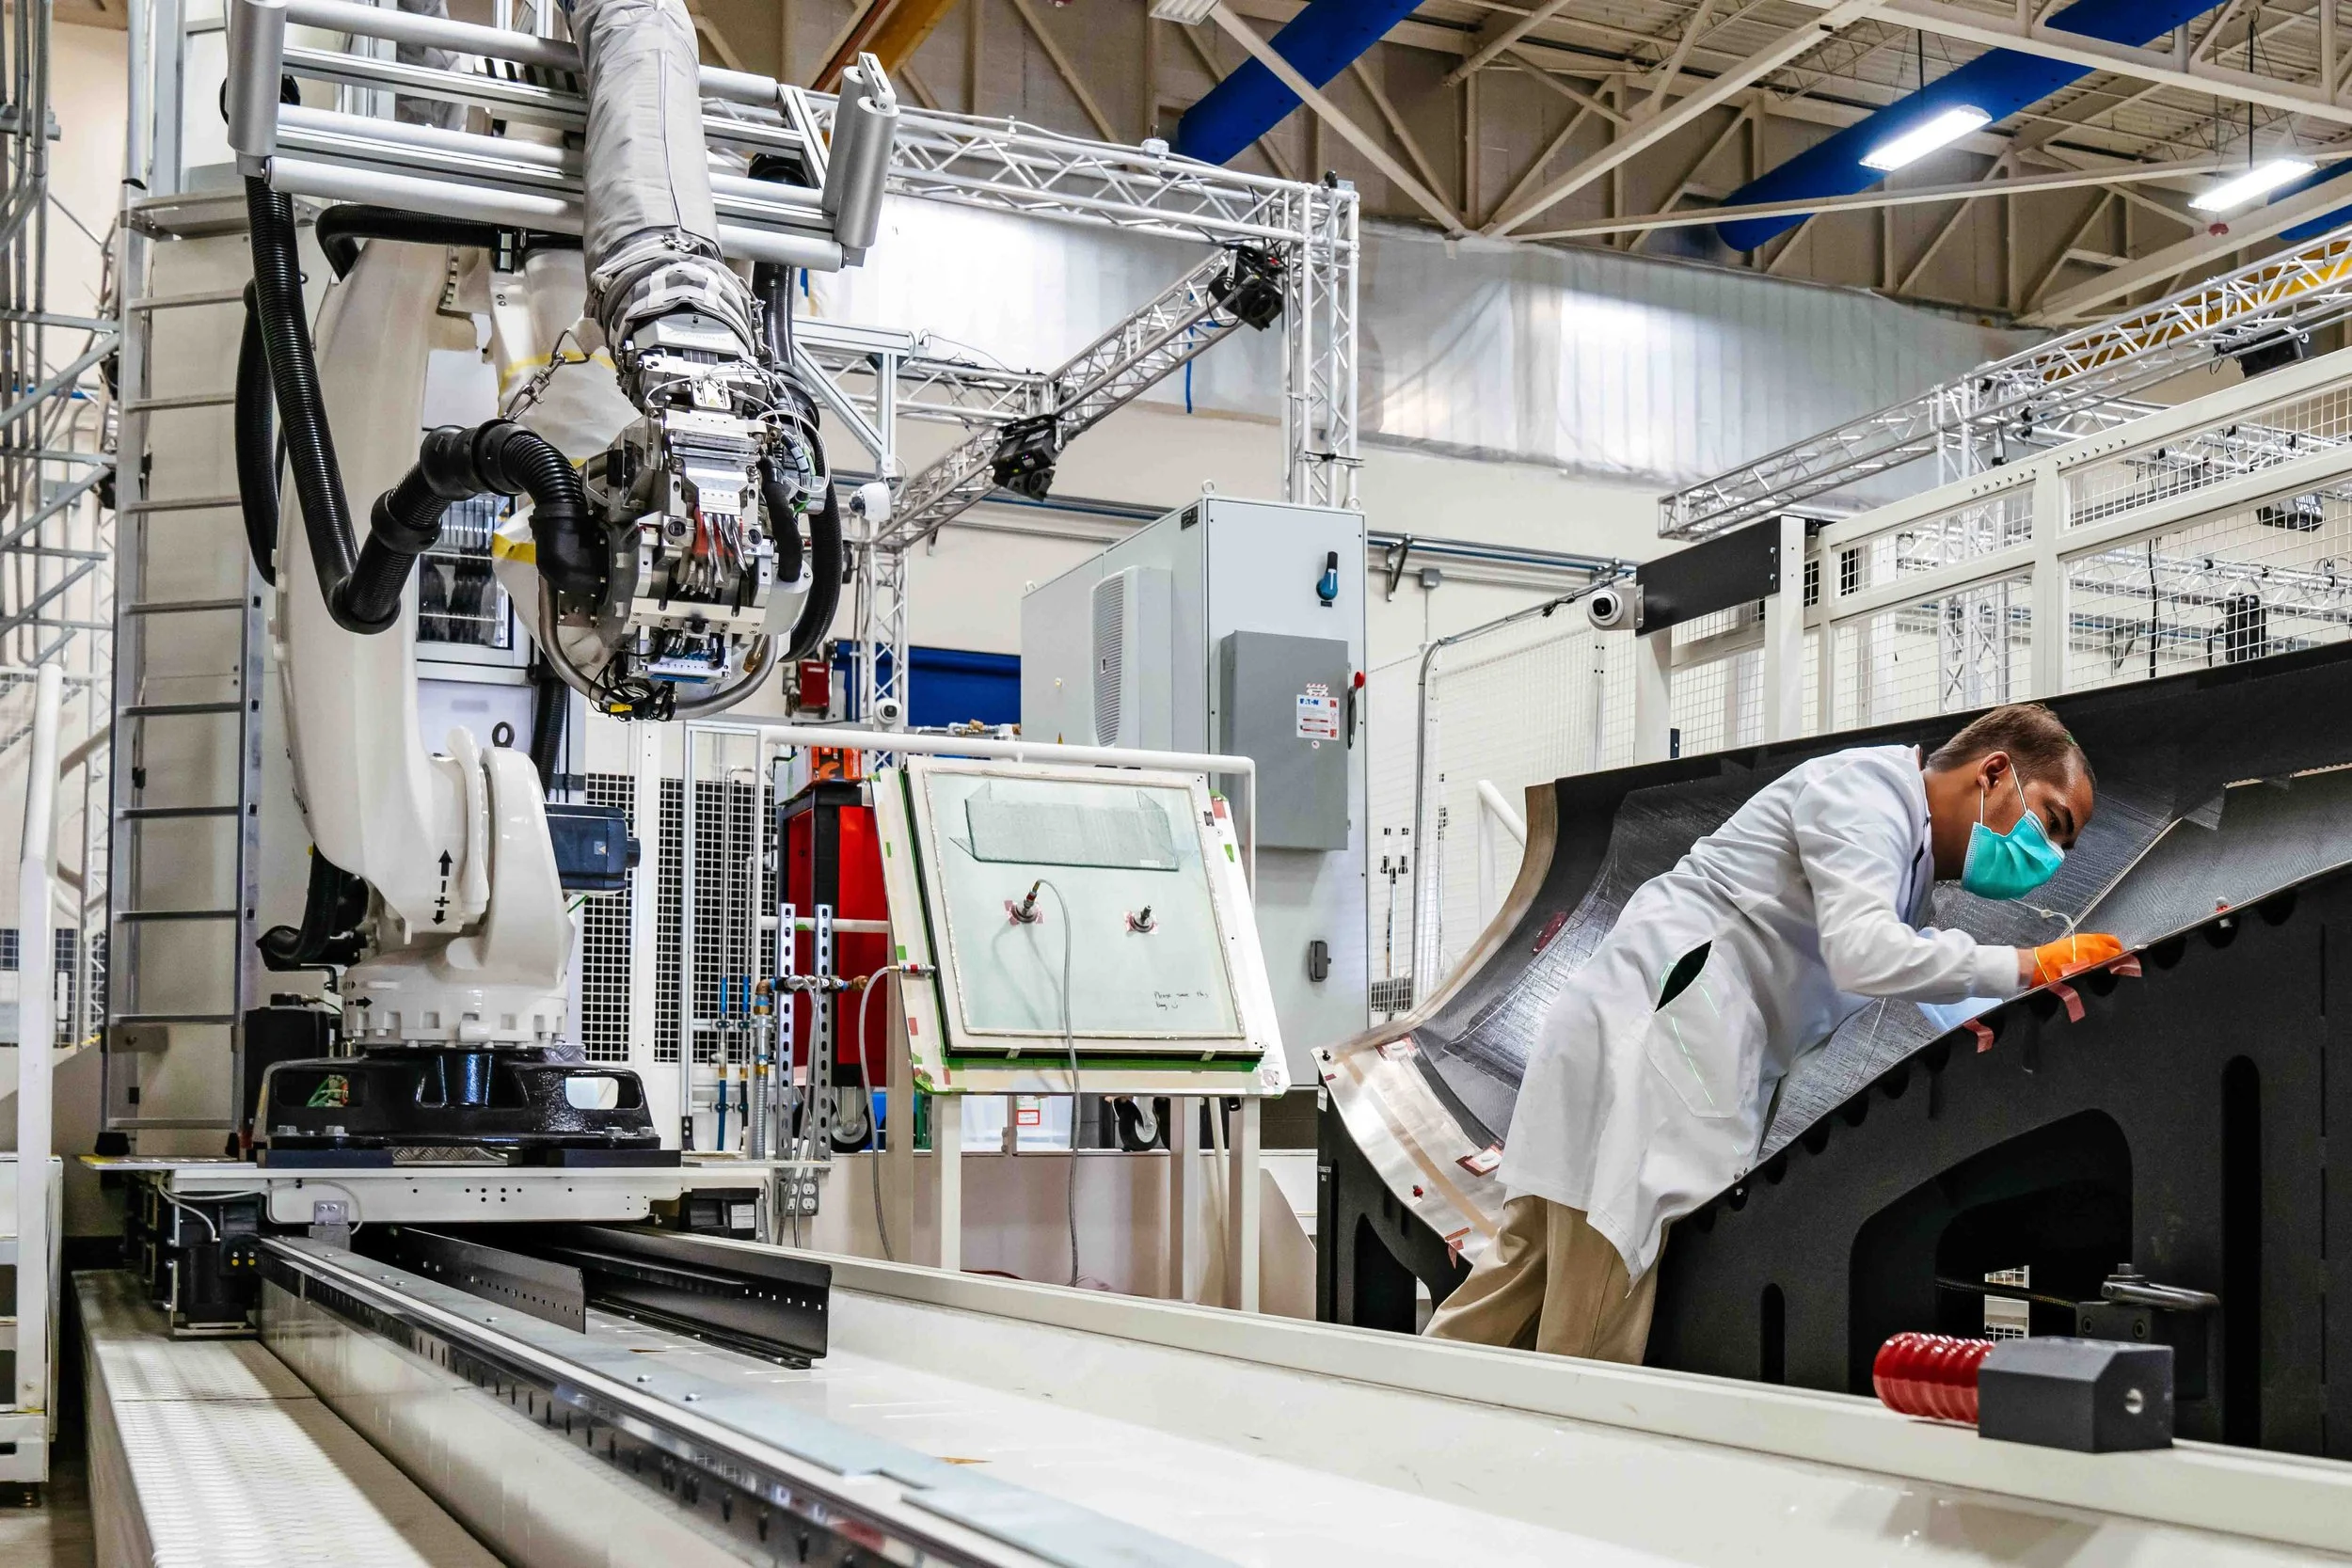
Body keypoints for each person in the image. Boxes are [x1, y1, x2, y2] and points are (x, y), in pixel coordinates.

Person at [1423, 702, 2120, 1364]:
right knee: (1591, 1331)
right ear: (1994, 771)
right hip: (1652, 1053)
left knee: (1517, 1285)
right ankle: (1541, 1475)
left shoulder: (1902, 864)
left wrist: (2002, 1004)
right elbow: (1864, 951)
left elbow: (1905, 950)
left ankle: (1399, 1436)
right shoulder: (1869, 794)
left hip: (1625, 1032)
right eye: (2052, 823)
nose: (2050, 857)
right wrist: (2028, 965)